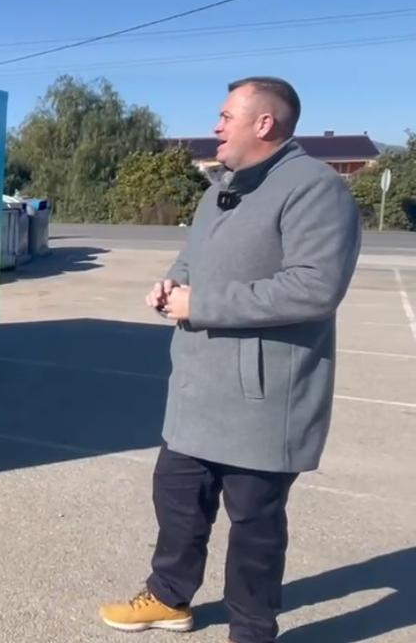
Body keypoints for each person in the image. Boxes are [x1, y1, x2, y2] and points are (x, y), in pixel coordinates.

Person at [99, 77, 362, 643]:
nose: (216, 127)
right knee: (177, 500)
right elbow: (192, 260)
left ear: (263, 124)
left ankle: (250, 630)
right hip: (198, 388)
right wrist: (172, 286)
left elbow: (315, 288)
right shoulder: (219, 187)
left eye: (225, 116)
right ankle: (170, 598)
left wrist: (204, 303)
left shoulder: (315, 189)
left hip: (264, 398)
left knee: (255, 527)